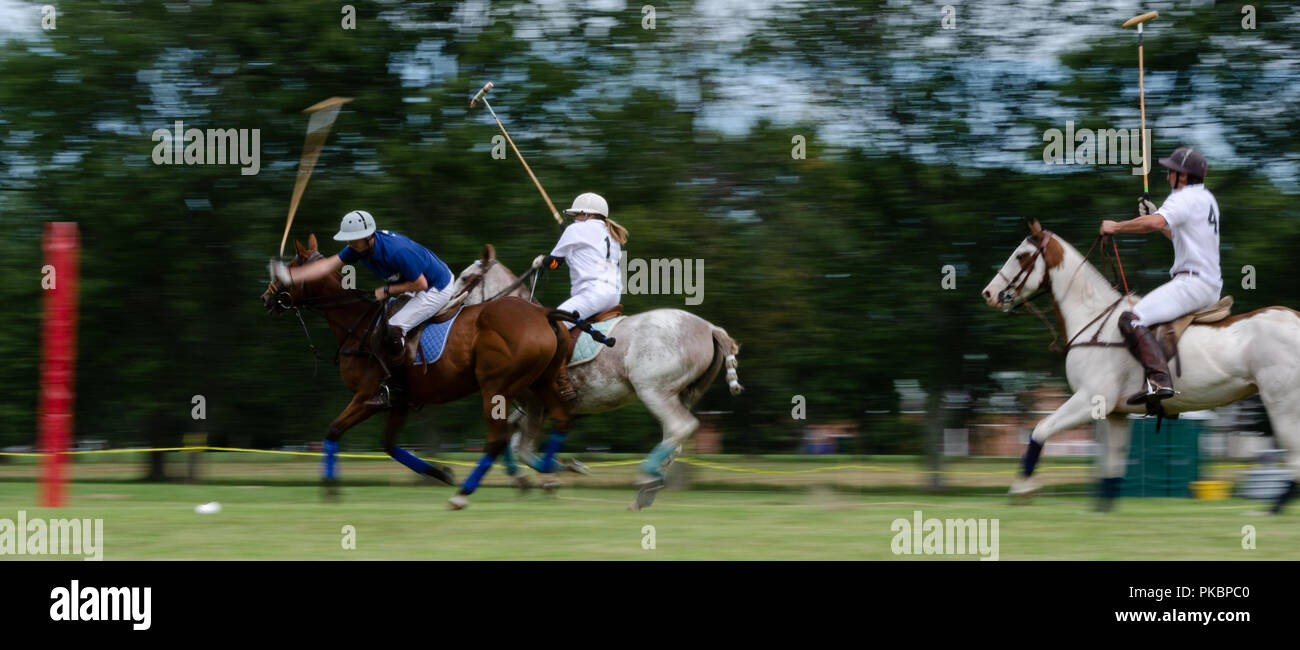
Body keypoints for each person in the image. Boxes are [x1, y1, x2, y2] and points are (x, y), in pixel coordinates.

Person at [270, 210, 454, 408]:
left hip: (436, 287)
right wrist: (292, 276)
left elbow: (420, 284)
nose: (348, 244)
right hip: (416, 283)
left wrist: (387, 289)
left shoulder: (396, 251)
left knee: (393, 327)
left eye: (352, 240)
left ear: (368, 237)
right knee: (381, 325)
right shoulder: (358, 247)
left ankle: (401, 388)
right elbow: (326, 267)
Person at [1100, 146, 1221, 409]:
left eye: (1170, 172)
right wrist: (1156, 215)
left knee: (1131, 319)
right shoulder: (1207, 199)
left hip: (1192, 284)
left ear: (1184, 177)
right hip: (1208, 284)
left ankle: (1159, 381)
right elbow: (1175, 234)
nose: (1167, 176)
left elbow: (1154, 224)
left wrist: (1117, 226)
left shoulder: (1182, 198)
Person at [533, 192, 629, 400]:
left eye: (577, 214)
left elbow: (554, 263)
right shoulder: (612, 234)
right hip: (613, 296)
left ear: (586, 214)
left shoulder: (575, 230)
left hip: (592, 294)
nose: (574, 218)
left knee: (549, 326)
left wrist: (541, 261)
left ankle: (561, 379)